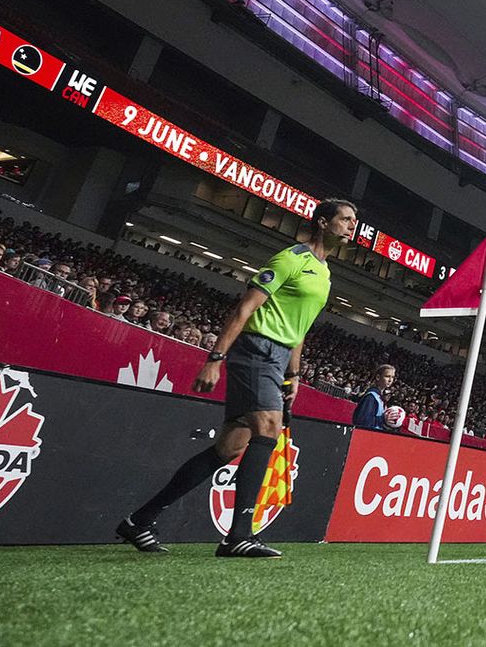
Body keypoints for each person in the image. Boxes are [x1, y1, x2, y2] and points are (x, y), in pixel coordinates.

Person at [116, 198, 357, 559]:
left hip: (278, 358)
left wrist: (293, 375)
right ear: (323, 222)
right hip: (256, 349)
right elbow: (244, 308)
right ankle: (239, 536)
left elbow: (300, 328)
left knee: (229, 448)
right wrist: (215, 359)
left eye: (354, 221)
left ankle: (139, 520)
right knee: (268, 429)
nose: (352, 226)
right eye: (346, 219)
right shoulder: (291, 259)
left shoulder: (324, 273)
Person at [353, 364, 396, 431]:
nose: (390, 380)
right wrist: (383, 419)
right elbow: (363, 421)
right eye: (387, 376)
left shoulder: (380, 397)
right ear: (378, 377)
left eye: (392, 377)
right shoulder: (371, 396)